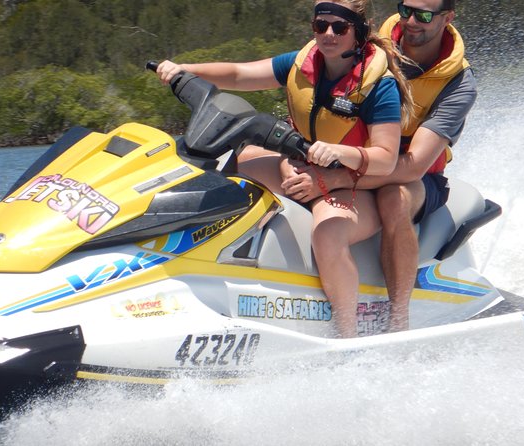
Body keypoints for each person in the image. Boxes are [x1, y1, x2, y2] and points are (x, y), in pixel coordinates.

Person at [156, 0, 414, 337]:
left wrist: (337, 153)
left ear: (359, 33)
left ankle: (348, 336)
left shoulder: (379, 85)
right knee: (229, 179)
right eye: (321, 26)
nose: (329, 34)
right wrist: (186, 69)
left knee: (328, 233)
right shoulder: (301, 63)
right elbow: (239, 74)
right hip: (301, 168)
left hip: (354, 183)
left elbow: (385, 158)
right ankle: (201, 276)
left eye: (340, 27)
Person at [280, 0, 477, 332]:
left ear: (447, 18)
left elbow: (412, 166)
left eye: (424, 15)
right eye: (405, 10)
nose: (411, 21)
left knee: (393, 199)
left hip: (410, 173)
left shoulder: (458, 83)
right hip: (355, 158)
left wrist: (331, 180)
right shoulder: (371, 42)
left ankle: (399, 319)